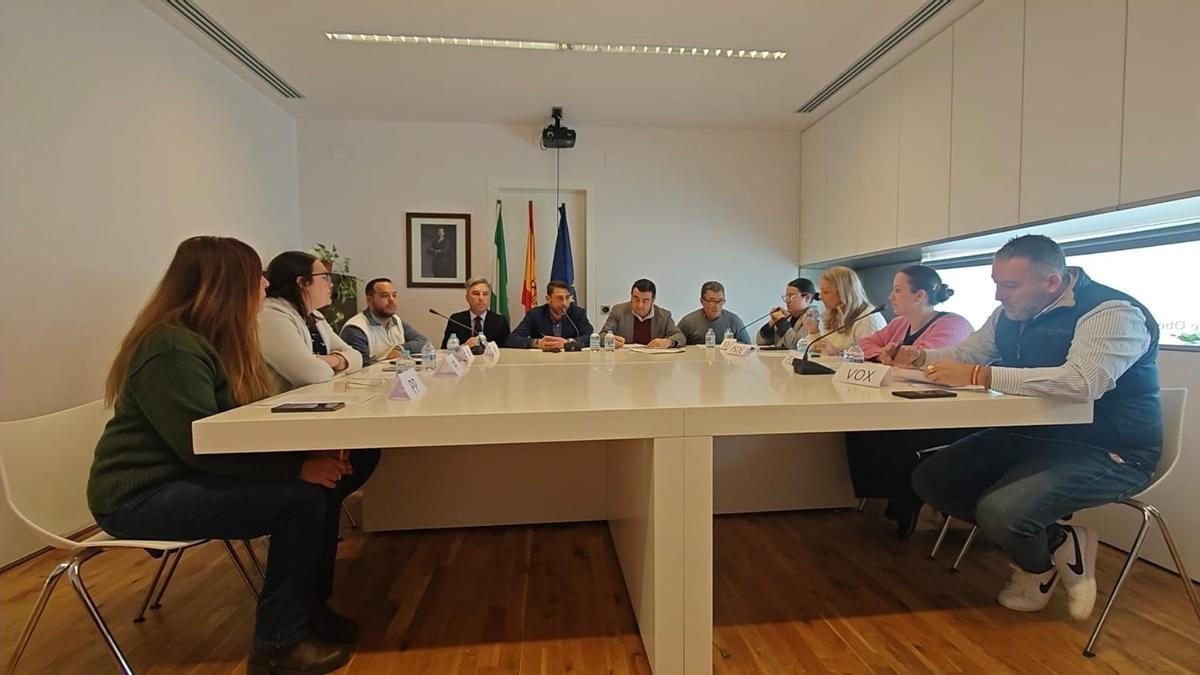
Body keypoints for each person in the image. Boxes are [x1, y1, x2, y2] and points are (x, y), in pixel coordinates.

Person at [87, 237, 361, 674]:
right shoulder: (171, 347)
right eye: (257, 276)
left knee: (321, 489)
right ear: (226, 285)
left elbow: (232, 430)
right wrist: (299, 467)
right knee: (303, 500)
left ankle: (309, 610)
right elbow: (201, 446)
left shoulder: (205, 341)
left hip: (179, 476)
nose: (266, 284)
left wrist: (312, 455)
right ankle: (278, 645)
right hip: (141, 495)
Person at [900, 235, 1161, 621]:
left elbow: (1083, 382)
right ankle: (1058, 540)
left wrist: (979, 375)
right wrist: (923, 358)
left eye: (1009, 285)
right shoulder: (1009, 315)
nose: (997, 296)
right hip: (1030, 435)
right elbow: (968, 354)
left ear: (1052, 282)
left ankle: (1036, 570)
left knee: (1002, 512)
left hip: (1111, 450)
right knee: (931, 480)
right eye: (995, 283)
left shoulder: (1112, 311)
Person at [842, 265, 975, 538]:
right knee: (859, 426)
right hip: (910, 403)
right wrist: (884, 355)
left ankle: (905, 506)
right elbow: (863, 346)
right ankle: (887, 495)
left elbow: (924, 361)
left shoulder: (953, 324)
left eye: (898, 289)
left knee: (894, 434)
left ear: (920, 295)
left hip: (949, 414)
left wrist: (896, 356)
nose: (891, 296)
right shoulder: (900, 324)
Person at [259, 252, 363, 391]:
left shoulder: (314, 315)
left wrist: (333, 360)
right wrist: (342, 363)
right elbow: (312, 374)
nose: (331, 284)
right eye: (325, 277)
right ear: (302, 282)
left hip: (312, 400)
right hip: (277, 408)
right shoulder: (270, 315)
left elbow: (357, 357)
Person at [340, 277, 430, 363]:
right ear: (369, 300)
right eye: (384, 296)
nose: (392, 300)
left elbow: (425, 342)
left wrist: (400, 349)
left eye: (394, 295)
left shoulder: (396, 321)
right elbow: (361, 368)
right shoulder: (355, 329)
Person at [804, 266, 886, 355]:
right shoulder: (834, 314)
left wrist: (838, 353)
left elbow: (869, 359)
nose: (820, 297)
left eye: (826, 292)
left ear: (843, 293)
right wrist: (814, 332)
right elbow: (823, 353)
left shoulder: (868, 318)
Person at [600, 279, 686, 348]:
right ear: (631, 296)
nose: (639, 305)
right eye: (636, 299)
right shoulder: (618, 311)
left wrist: (668, 342)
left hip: (654, 361)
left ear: (653, 300)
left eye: (645, 301)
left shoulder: (664, 315)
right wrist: (610, 340)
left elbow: (680, 336)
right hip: (625, 360)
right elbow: (602, 335)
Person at [507, 279, 593, 349]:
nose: (564, 303)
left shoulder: (578, 313)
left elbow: (591, 338)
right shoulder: (535, 315)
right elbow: (512, 339)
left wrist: (567, 343)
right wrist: (537, 343)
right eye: (559, 298)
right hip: (542, 363)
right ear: (548, 299)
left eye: (567, 298)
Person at [440, 277, 511, 348]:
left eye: (485, 294)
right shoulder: (456, 320)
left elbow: (506, 350)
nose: (481, 298)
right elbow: (445, 350)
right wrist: (463, 347)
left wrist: (488, 346)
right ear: (467, 298)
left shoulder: (500, 321)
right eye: (476, 294)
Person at [678, 281, 752, 345]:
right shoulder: (688, 322)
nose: (716, 305)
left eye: (720, 301)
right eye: (712, 301)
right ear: (702, 301)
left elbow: (747, 346)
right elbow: (676, 342)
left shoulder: (734, 321)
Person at [757, 278, 821, 348]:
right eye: (786, 296)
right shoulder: (788, 317)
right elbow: (760, 342)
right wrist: (771, 323)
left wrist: (781, 322)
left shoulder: (812, 317)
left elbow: (797, 346)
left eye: (791, 296)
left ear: (807, 298)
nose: (787, 301)